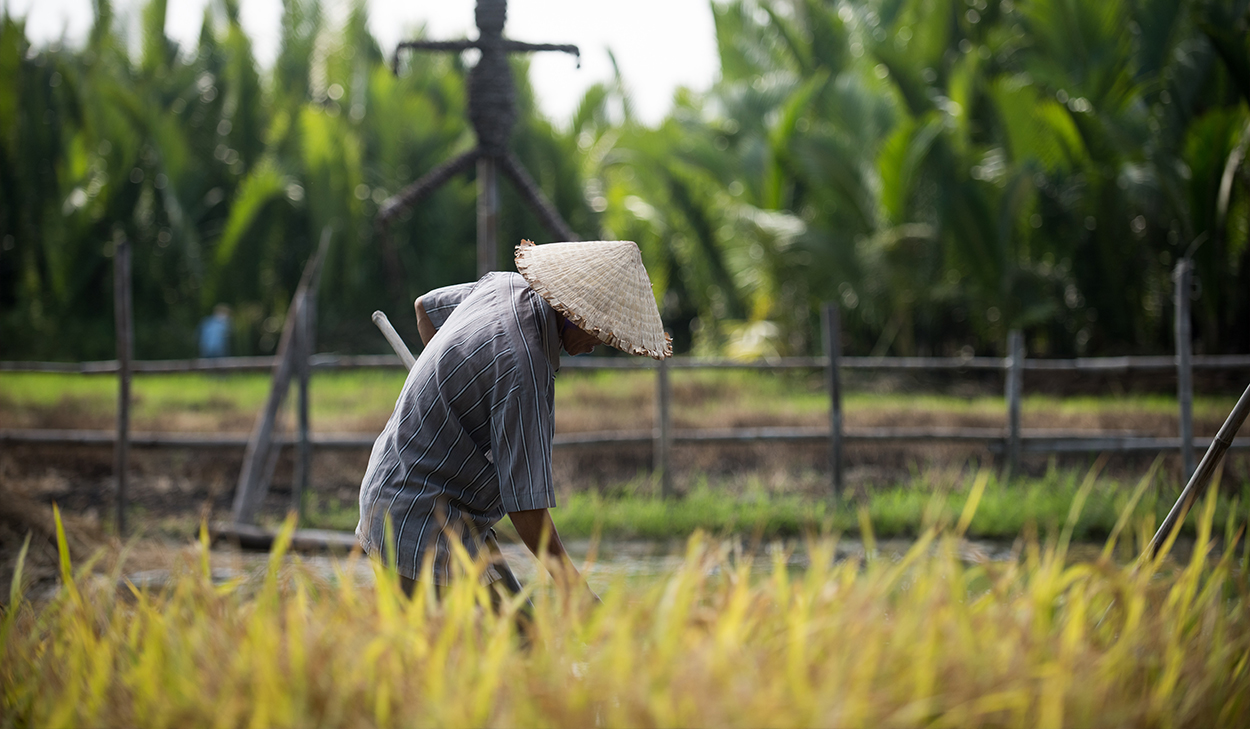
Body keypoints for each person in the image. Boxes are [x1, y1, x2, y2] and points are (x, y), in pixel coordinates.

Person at [356, 239, 671, 600]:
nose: (600, 341)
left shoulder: (502, 285)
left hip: (446, 510)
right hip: (414, 516)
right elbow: (526, 507)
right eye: (599, 329)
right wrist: (574, 591)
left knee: (522, 637)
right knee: (488, 647)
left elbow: (426, 309)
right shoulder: (524, 369)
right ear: (572, 311)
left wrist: (455, 391)